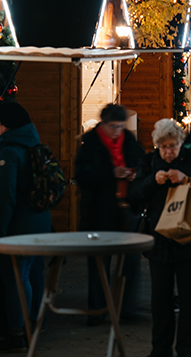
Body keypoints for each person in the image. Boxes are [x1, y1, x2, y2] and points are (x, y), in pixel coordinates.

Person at [130, 119, 191, 357]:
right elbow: (135, 194)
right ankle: (160, 350)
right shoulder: (147, 162)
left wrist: (188, 181)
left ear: (181, 143)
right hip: (160, 243)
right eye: (164, 147)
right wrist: (151, 182)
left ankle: (186, 350)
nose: (169, 151)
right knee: (161, 301)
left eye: (173, 145)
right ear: (157, 145)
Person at [74, 104, 145, 325]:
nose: (116, 131)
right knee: (98, 262)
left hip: (126, 207)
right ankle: (97, 309)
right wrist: (111, 173)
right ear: (103, 124)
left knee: (130, 261)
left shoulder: (129, 141)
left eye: (120, 127)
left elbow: (143, 164)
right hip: (98, 210)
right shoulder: (89, 145)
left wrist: (135, 175)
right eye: (113, 127)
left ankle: (125, 307)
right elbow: (82, 176)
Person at [0, 102, 51, 352]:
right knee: (30, 275)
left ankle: (17, 332)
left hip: (19, 228)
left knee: (16, 279)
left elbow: (6, 198)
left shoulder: (9, 152)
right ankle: (32, 325)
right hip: (39, 222)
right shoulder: (33, 143)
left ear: (6, 124)